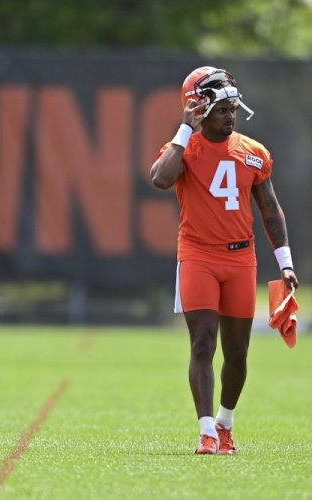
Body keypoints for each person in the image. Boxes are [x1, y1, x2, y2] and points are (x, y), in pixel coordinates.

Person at [150, 66, 299, 455]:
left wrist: (285, 261)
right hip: (198, 254)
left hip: (240, 258)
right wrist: (184, 130)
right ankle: (205, 432)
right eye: (222, 109)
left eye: (233, 107)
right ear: (199, 109)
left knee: (237, 352)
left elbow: (270, 210)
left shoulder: (253, 152)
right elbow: (160, 179)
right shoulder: (184, 148)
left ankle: (225, 423)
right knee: (202, 343)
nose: (230, 115)